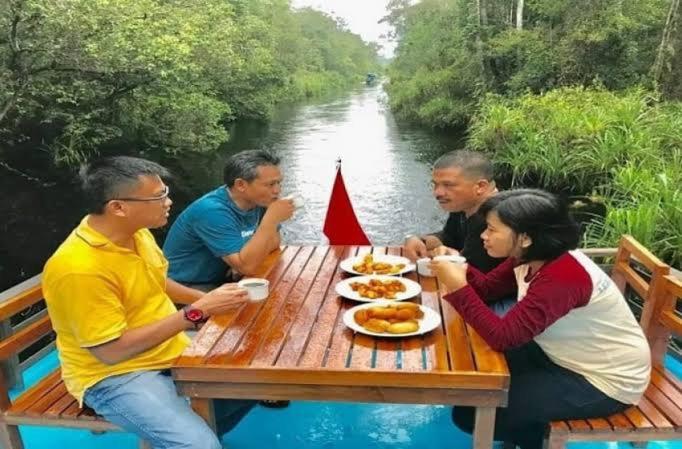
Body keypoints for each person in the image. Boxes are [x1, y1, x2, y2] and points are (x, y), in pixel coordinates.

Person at [43, 156, 256, 449]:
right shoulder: (79, 268)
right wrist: (198, 312)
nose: (168, 201)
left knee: (257, 380)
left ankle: (175, 432)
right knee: (199, 446)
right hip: (114, 375)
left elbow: (157, 282)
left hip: (168, 349)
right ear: (118, 207)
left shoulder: (137, 233)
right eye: (159, 196)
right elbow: (111, 352)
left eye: (165, 192)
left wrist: (214, 300)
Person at [430, 189, 651, 449]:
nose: (483, 236)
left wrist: (457, 286)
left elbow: (502, 337)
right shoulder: (529, 257)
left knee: (471, 415)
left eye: (491, 229)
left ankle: (534, 443)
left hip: (603, 380)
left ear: (524, 237)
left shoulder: (564, 277)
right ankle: (525, 437)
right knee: (469, 381)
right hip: (559, 354)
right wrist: (457, 264)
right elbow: (487, 289)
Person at [163, 150, 295, 288]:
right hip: (187, 285)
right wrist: (271, 220)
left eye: (279, 183)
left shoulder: (260, 200)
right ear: (241, 185)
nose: (277, 190)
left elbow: (274, 242)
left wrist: (242, 259)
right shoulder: (212, 211)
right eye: (270, 184)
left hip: (226, 277)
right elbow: (248, 267)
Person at [403, 150, 503, 273]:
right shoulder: (464, 205)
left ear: (481, 186)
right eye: (435, 184)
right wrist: (419, 240)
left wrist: (452, 258)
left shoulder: (497, 220)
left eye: (448, 185)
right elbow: (448, 237)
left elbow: (474, 275)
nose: (437, 193)